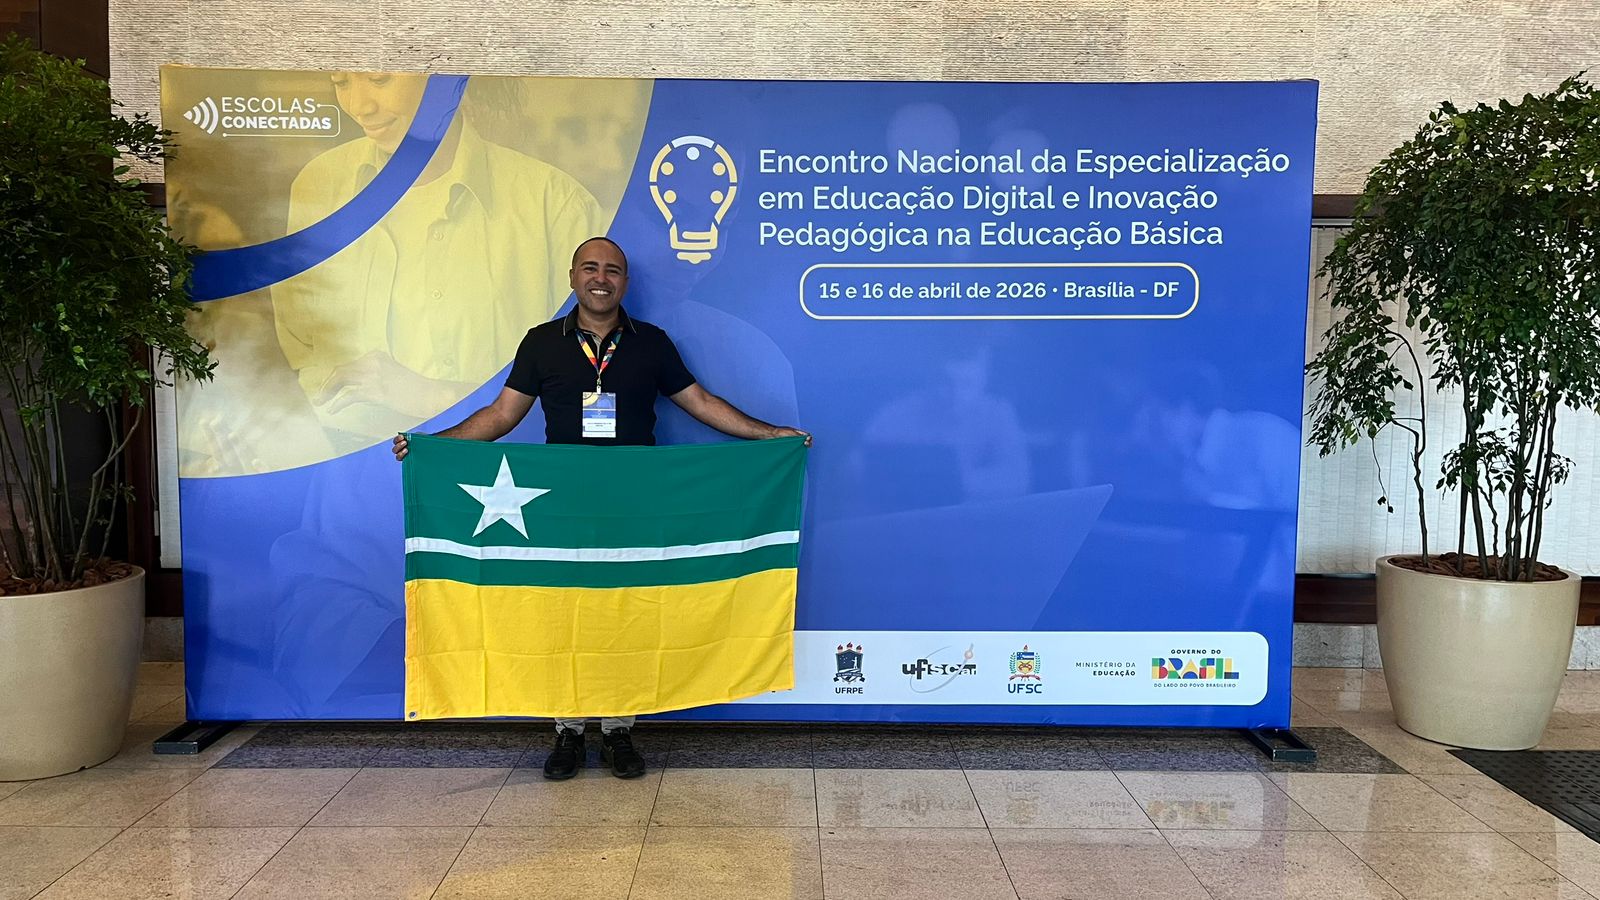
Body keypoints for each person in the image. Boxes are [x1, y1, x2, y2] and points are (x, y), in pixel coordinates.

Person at [392, 236, 810, 779]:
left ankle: (617, 731)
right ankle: (567, 731)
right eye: (590, 268)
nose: (601, 278)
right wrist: (433, 447)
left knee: (626, 613)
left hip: (635, 507)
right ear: (572, 277)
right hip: (559, 508)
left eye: (613, 270)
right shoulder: (541, 342)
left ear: (625, 283)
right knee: (563, 613)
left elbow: (701, 403)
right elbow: (501, 415)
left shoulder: (652, 343)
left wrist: (770, 435)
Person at [275, 71, 602, 453]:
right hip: (349, 461)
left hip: (502, 462)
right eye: (341, 82)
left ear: (444, 80)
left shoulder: (555, 205)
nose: (360, 106)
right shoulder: (318, 186)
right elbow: (298, 357)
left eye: (379, 80)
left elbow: (589, 389)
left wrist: (431, 396)